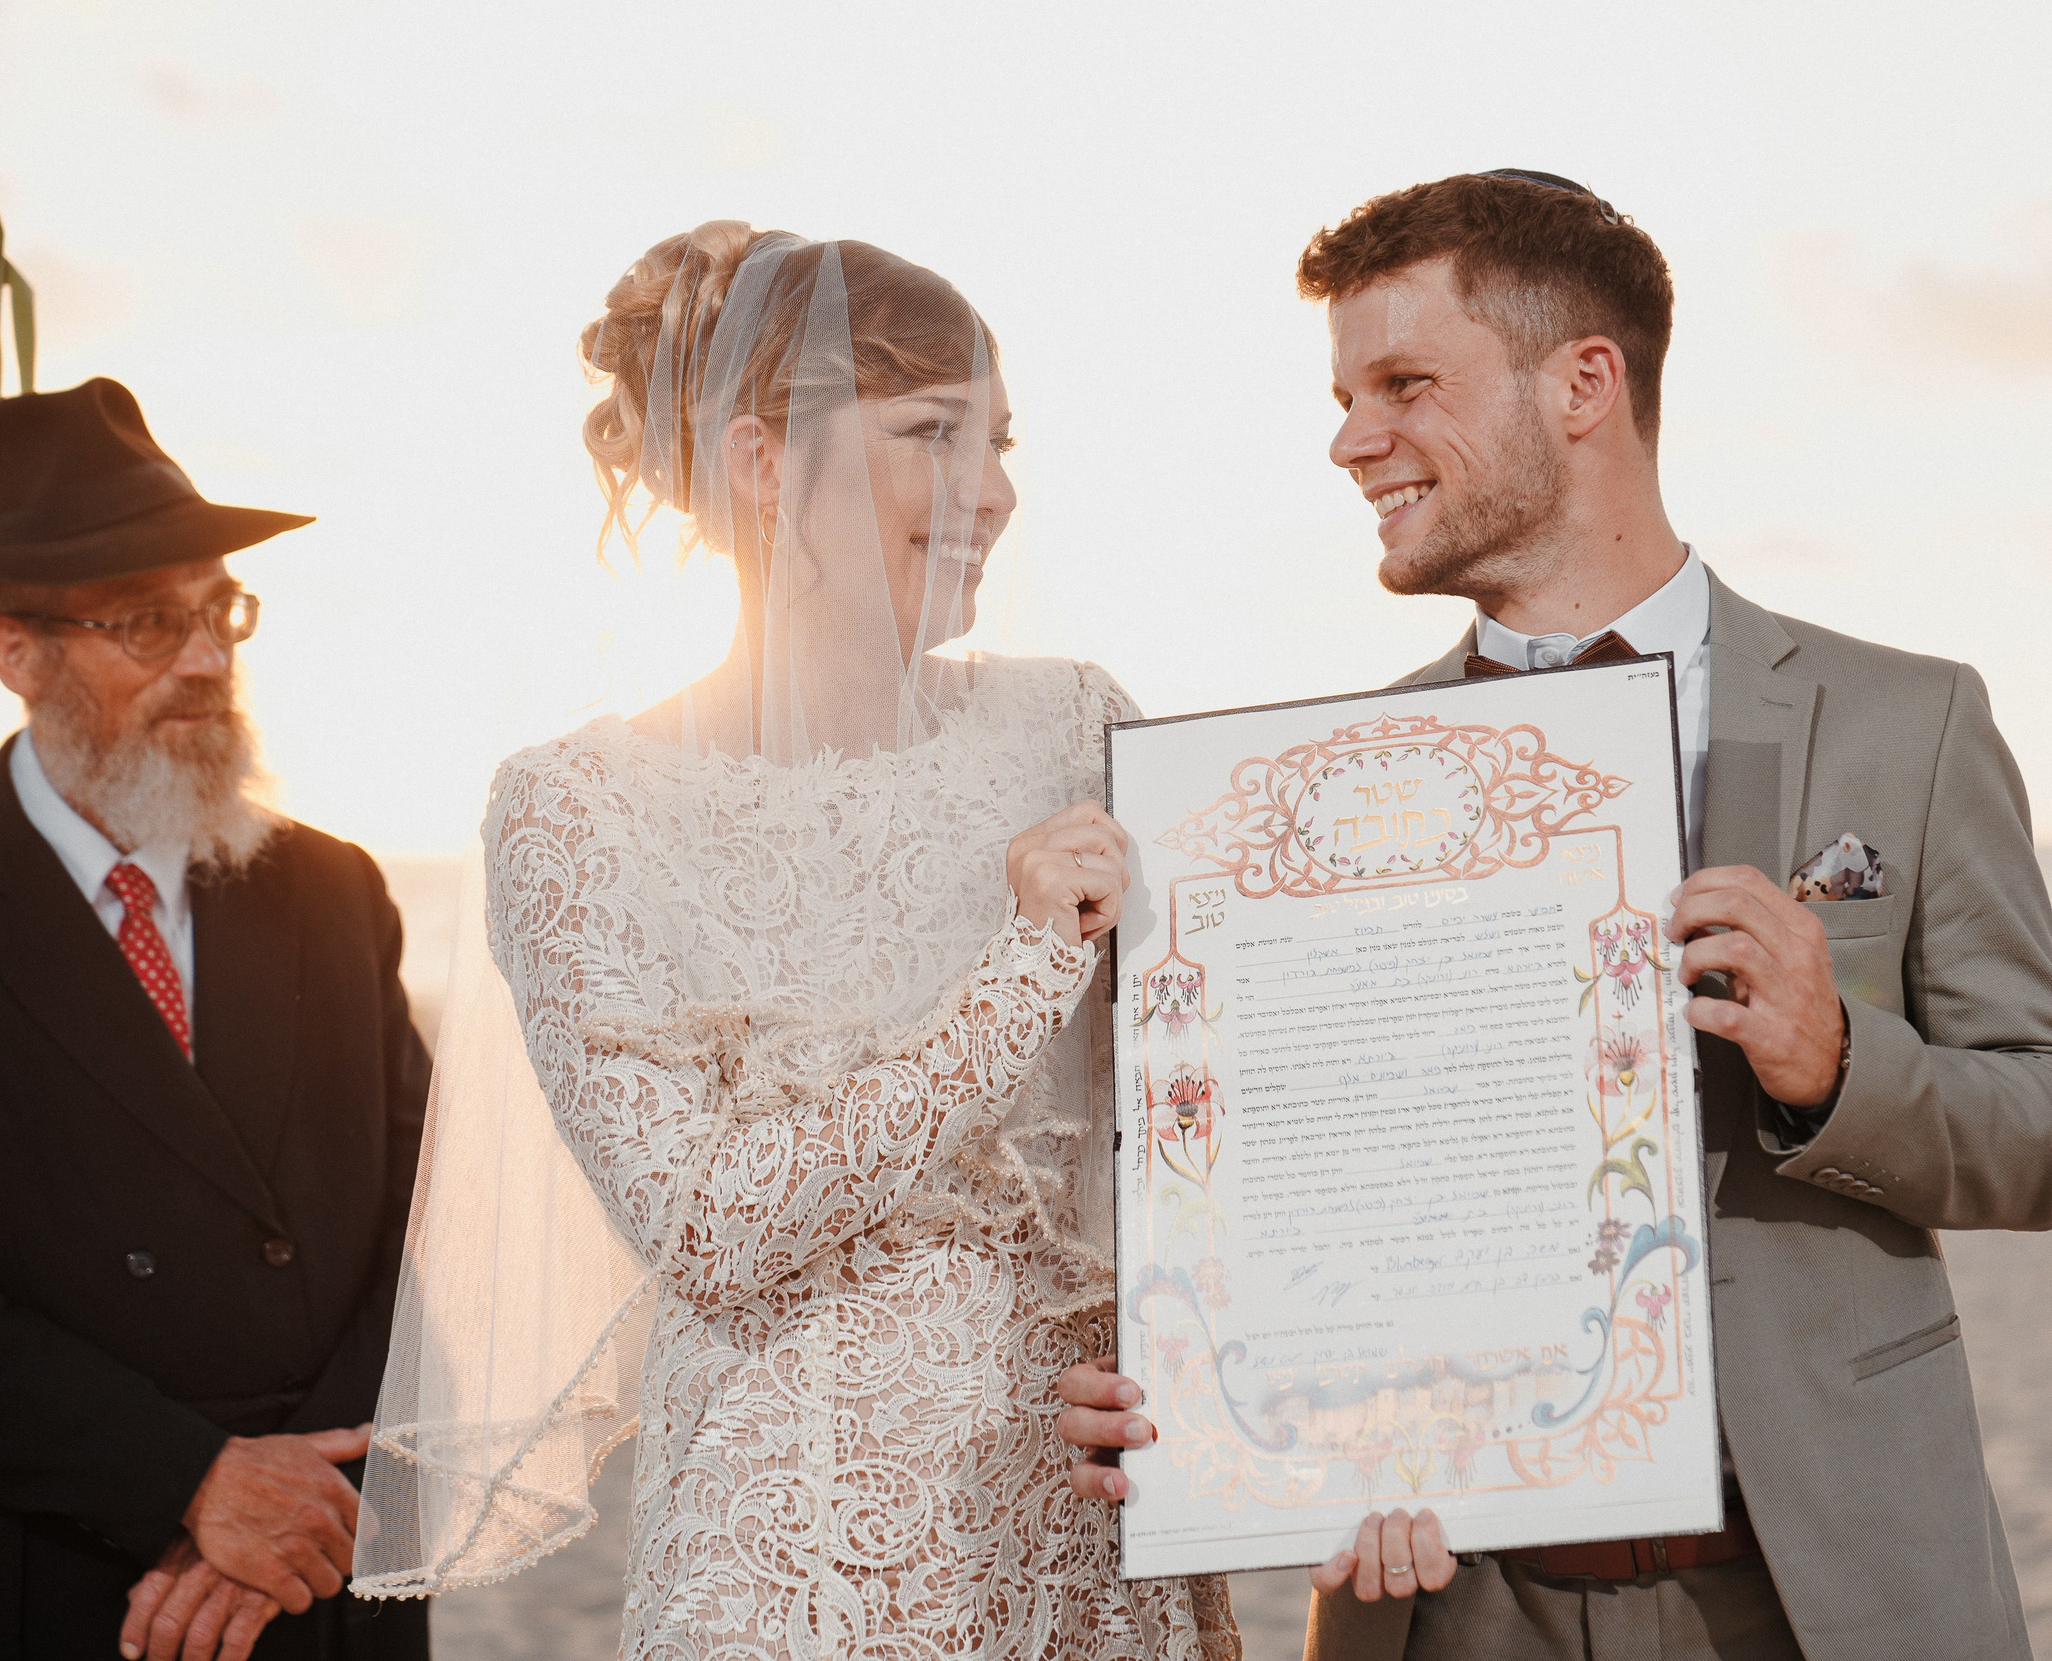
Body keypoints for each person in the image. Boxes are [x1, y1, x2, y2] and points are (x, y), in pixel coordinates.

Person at [1055, 172, 2052, 1660]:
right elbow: (1268, 1192)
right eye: (1347, 398)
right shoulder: (1306, 797)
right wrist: (1189, 1387)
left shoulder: (1905, 721)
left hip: (1822, 1589)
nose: (1352, 439)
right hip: (1446, 1602)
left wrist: (1832, 1061)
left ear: (1582, 384)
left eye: (1404, 384)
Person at [350, 223, 1236, 1661]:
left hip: (1080, 1537)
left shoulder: (1075, 722)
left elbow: (1207, 1117)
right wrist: (1023, 971)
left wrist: (1211, 1375)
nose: (993, 489)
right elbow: (707, 1227)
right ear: (760, 461)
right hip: (787, 1565)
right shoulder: (578, 808)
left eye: (1001, 440)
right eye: (934, 433)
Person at [0, 377, 432, 1661]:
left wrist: (297, 1498)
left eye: (219, 611)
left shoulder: (334, 888)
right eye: (148, 621)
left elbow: (431, 1223)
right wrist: (187, 1484)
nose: (204, 659)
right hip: (73, 1580)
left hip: (332, 1566)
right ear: (17, 650)